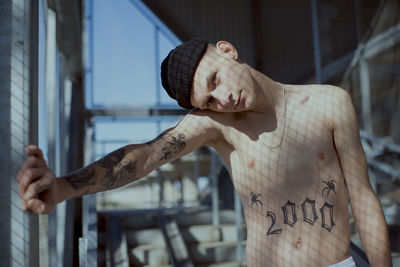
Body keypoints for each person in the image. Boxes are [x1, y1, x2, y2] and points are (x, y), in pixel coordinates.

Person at [16, 39, 392, 266]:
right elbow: (146, 156)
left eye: (215, 80)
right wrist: (65, 187)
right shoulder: (219, 125)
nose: (224, 99)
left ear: (227, 51)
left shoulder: (329, 103)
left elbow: (363, 198)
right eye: (209, 100)